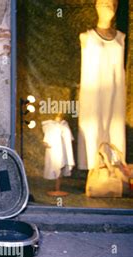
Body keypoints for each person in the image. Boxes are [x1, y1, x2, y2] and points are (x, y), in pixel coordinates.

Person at [77, 0, 126, 170]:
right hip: (93, 94)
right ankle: (93, 165)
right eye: (103, 2)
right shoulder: (87, 37)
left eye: (112, 2)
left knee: (114, 125)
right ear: (96, 6)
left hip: (115, 93)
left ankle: (114, 164)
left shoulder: (121, 38)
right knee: (94, 125)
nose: (108, 5)